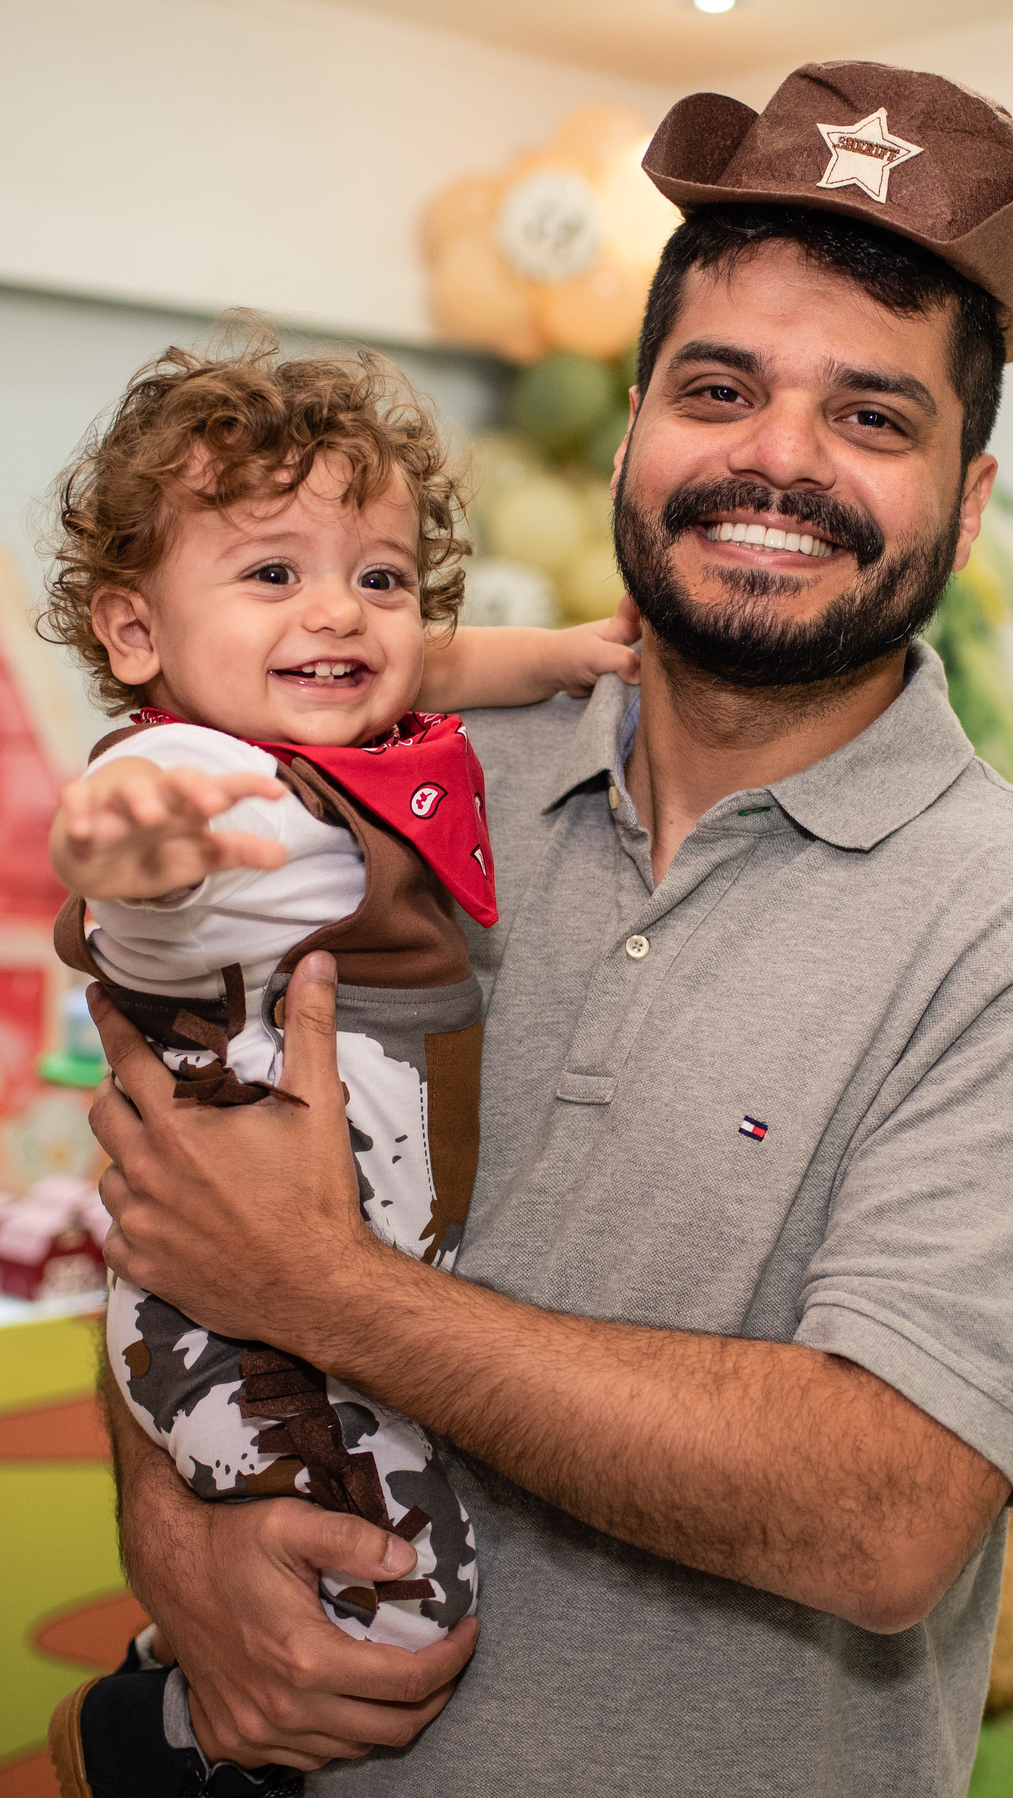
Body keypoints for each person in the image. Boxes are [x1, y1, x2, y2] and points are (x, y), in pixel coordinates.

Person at [75, 61, 1013, 1798]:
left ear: (964, 507)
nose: (777, 457)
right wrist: (169, 1541)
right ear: (634, 431)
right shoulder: (396, 778)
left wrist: (329, 1291)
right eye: (719, 385)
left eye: (874, 417)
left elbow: (879, 1513)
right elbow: (170, 1176)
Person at [41, 338, 638, 1798]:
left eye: (377, 574)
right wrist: (138, 848)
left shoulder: (370, 728)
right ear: (134, 632)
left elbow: (440, 659)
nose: (341, 614)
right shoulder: (210, 775)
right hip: (240, 1319)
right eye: (272, 575)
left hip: (343, 1273)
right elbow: (115, 827)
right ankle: (163, 1742)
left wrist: (564, 654)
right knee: (404, 1591)